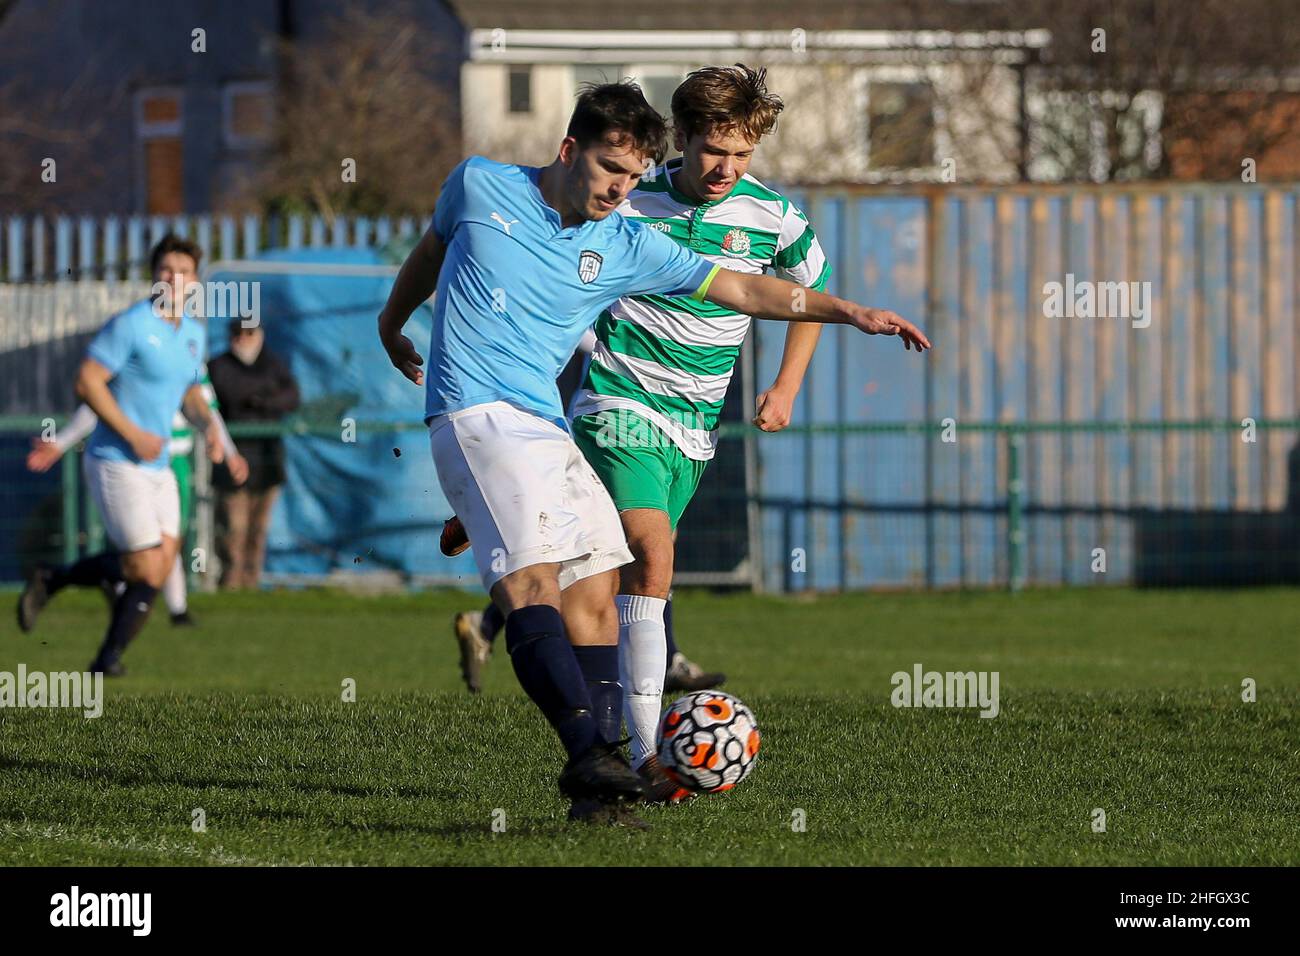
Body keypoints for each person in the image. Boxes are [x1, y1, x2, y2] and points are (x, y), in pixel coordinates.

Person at [377, 81, 928, 826]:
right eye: (610, 169)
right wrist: (391, 321)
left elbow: (743, 288)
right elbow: (434, 248)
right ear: (570, 150)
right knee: (544, 584)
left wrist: (849, 311)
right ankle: (591, 750)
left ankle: (603, 796)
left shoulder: (627, 240)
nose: (620, 188)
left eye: (634, 176)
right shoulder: (480, 183)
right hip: (478, 413)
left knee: (600, 589)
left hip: (547, 426)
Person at [16, 235, 247, 675]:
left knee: (159, 566)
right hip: (115, 459)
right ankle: (67, 598)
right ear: (153, 276)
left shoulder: (193, 333)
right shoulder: (132, 325)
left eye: (182, 271)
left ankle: (101, 652)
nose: (172, 278)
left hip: (157, 467)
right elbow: (88, 382)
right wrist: (133, 433)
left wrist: (209, 430)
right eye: (165, 269)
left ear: (195, 282)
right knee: (144, 566)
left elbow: (191, 394)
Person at [24, 369, 242, 626]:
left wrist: (228, 449)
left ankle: (172, 608)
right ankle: (109, 598)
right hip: (129, 462)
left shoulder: (188, 349)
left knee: (166, 546)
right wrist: (61, 441)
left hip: (173, 462)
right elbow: (98, 400)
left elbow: (205, 406)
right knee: (141, 551)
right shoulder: (132, 345)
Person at [208, 319, 300, 590]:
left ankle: (250, 586)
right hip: (233, 462)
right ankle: (230, 586)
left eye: (249, 333)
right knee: (232, 530)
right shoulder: (219, 366)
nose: (242, 339)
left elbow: (292, 397)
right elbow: (232, 393)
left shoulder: (273, 364)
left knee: (257, 531)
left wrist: (265, 401)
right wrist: (262, 396)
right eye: (237, 333)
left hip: (268, 462)